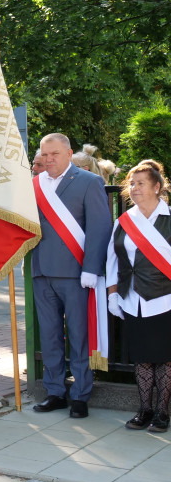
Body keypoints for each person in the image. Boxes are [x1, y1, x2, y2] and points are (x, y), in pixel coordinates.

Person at [32, 132, 113, 418]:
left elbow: (100, 228)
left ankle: (80, 395)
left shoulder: (89, 181)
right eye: (44, 154)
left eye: (54, 154)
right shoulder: (34, 185)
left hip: (76, 273)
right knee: (50, 336)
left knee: (79, 336)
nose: (48, 159)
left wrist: (91, 268)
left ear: (68, 154)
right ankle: (55, 391)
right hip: (41, 271)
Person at [107, 159, 171, 432]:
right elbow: (112, 261)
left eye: (140, 183)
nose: (133, 188)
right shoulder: (123, 221)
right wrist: (112, 295)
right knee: (142, 359)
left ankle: (163, 413)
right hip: (132, 301)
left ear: (157, 187)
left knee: (166, 359)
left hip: (164, 300)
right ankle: (144, 409)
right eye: (131, 183)